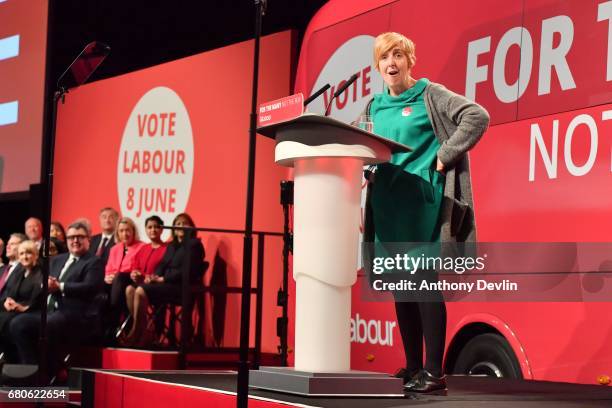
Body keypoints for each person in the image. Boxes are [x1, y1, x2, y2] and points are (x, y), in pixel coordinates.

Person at [363, 32, 489, 393]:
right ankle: (415, 366)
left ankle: (435, 372)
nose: (391, 63)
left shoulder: (429, 94)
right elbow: (361, 143)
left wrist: (444, 153)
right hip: (389, 207)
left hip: (423, 203)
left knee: (423, 284)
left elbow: (476, 116)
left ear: (409, 60)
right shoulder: (372, 107)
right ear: (377, 65)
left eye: (398, 55)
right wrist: (366, 167)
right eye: (385, 57)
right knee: (403, 288)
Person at [8, 221, 104, 374]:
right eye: (71, 237)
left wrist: (60, 286)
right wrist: (45, 285)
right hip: (49, 311)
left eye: (80, 237)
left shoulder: (94, 261)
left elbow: (91, 287)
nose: (75, 240)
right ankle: (32, 370)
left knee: (50, 324)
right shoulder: (58, 259)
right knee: (17, 323)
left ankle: (52, 371)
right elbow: (46, 283)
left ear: (88, 240)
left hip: (76, 313)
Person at [124, 213, 204, 347]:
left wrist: (163, 278)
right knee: (130, 289)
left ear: (191, 227)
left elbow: (187, 271)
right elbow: (162, 265)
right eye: (177, 224)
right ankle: (145, 332)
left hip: (180, 288)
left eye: (184, 223)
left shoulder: (194, 245)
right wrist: (153, 276)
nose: (180, 226)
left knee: (140, 290)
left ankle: (136, 334)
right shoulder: (172, 246)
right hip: (166, 286)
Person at [122, 215, 168, 341]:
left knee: (137, 290)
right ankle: (143, 328)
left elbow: (165, 271)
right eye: (149, 227)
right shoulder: (143, 248)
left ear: (162, 229)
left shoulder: (167, 249)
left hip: (156, 286)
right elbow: (135, 266)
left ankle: (135, 332)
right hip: (141, 283)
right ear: (146, 230)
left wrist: (151, 277)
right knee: (129, 290)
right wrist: (134, 273)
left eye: (156, 227)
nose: (153, 230)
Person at [0, 241, 42, 360]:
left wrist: (23, 307)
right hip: (15, 309)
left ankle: (21, 361)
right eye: (22, 253)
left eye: (29, 253)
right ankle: (6, 357)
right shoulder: (19, 272)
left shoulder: (40, 272)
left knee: (8, 320)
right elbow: (10, 293)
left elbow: (38, 298)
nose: (25, 256)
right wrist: (7, 302)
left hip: (32, 310)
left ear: (36, 255)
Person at [104, 217, 144, 335]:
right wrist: (107, 277)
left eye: (127, 230)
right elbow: (109, 268)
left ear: (133, 231)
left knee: (121, 277)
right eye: (121, 231)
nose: (125, 234)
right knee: (102, 282)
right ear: (117, 233)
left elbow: (140, 269)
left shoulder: (142, 247)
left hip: (131, 281)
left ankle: (114, 319)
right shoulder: (114, 249)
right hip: (115, 283)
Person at [0, 233, 27, 297]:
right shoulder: (2, 269)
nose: (7, 246)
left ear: (22, 246)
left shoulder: (25, 269)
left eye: (12, 244)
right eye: (8, 244)